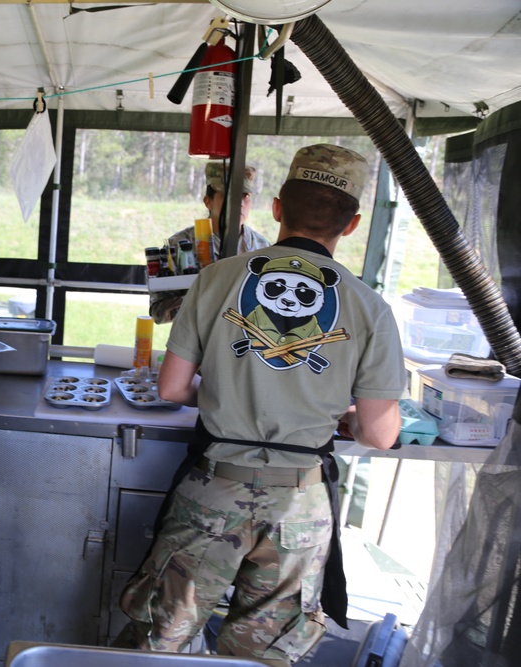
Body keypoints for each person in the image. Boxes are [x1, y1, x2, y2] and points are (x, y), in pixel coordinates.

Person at [115, 144, 404, 666]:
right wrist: (334, 412)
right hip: (300, 510)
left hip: (212, 493)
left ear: (276, 208)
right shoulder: (370, 307)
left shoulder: (217, 278)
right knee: (263, 656)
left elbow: (173, 388)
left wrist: (229, 396)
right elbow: (381, 434)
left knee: (161, 643)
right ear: (355, 223)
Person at [150, 162, 271, 324]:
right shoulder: (179, 246)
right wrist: (204, 298)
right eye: (229, 196)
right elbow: (158, 312)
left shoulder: (262, 247)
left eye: (245, 196)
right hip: (194, 343)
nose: (240, 203)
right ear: (208, 201)